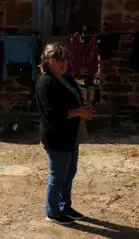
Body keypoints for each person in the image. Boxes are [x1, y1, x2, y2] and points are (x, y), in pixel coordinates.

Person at [35, 43, 94, 225]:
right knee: (58, 176)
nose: (62, 64)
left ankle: (65, 207)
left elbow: (75, 98)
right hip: (56, 136)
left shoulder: (66, 78)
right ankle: (52, 212)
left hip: (70, 134)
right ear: (47, 62)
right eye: (57, 60)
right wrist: (79, 112)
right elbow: (53, 113)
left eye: (65, 60)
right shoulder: (45, 82)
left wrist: (83, 106)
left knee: (69, 173)